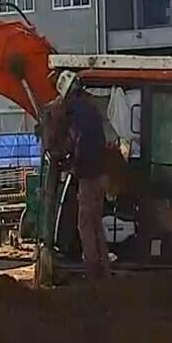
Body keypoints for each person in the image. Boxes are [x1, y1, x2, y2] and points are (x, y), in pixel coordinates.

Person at [57, 71, 110, 279]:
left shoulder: (76, 114)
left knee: (84, 223)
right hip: (100, 174)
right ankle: (104, 267)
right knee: (96, 222)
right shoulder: (92, 109)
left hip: (88, 175)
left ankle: (92, 269)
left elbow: (78, 143)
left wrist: (72, 163)